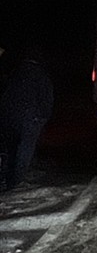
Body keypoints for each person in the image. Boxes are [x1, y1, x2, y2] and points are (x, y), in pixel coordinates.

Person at [0, 43, 54, 191]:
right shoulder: (41, 75)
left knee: (10, 149)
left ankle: (5, 177)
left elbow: (5, 94)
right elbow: (47, 99)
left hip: (9, 117)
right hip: (29, 118)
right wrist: (43, 117)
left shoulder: (16, 72)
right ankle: (16, 181)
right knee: (25, 149)